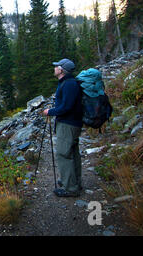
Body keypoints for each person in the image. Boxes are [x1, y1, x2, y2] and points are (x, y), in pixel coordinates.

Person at [43, 58, 83, 197]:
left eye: (56, 66)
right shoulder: (68, 83)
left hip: (68, 124)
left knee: (63, 153)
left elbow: (66, 107)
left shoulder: (68, 84)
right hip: (72, 123)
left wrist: (51, 111)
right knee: (72, 152)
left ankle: (70, 188)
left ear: (61, 70)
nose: (54, 68)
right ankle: (74, 182)